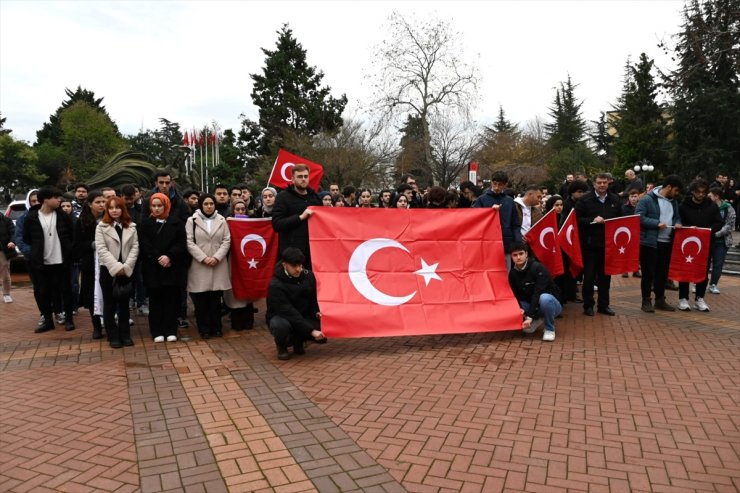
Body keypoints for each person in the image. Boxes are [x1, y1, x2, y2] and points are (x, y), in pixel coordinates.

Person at [23, 186, 76, 333]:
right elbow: (27, 238)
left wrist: (69, 250)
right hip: (42, 262)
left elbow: (72, 234)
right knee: (43, 291)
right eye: (55, 197)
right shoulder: (32, 218)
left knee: (66, 290)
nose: (58, 200)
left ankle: (69, 319)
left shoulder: (62, 215)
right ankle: (47, 320)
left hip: (62, 260)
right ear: (46, 200)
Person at [139, 193, 186, 343]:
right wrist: (158, 257)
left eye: (160, 205)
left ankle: (170, 330)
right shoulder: (145, 224)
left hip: (172, 267)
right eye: (154, 205)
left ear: (166, 206)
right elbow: (144, 244)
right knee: (155, 301)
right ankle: (156, 331)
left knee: (170, 300)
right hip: (153, 268)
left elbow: (181, 243)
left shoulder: (176, 223)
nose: (157, 208)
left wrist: (169, 256)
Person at [575, 173, 623, 316]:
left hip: (608, 246)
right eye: (599, 182)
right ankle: (588, 305)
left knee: (605, 277)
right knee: (589, 277)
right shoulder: (584, 199)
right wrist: (592, 220)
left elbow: (621, 220)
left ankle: (604, 305)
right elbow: (576, 220)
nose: (602, 185)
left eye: (604, 182)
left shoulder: (615, 199)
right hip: (589, 245)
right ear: (594, 184)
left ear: (608, 183)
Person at [266, 247, 326, 360]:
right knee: (280, 326)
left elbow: (312, 299)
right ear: (285, 265)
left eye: (300, 265)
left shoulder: (309, 276)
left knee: (322, 322)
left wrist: (316, 312)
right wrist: (311, 331)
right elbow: (288, 311)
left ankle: (298, 341)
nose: (299, 269)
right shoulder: (275, 285)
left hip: (302, 314)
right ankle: (282, 346)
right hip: (282, 316)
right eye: (294, 266)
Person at [634, 175, 683, 313]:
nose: (677, 193)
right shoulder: (647, 199)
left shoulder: (674, 202)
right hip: (649, 242)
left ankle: (660, 299)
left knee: (662, 273)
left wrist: (678, 223)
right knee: (648, 273)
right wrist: (656, 224)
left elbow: (676, 216)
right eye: (676, 190)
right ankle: (646, 300)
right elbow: (638, 217)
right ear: (668, 187)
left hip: (666, 242)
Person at [186, 194, 231, 339]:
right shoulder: (191, 220)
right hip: (200, 264)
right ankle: (204, 328)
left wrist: (217, 257)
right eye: (206, 204)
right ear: (201, 205)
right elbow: (189, 242)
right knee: (201, 300)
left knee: (215, 299)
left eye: (211, 203)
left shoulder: (221, 220)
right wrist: (204, 258)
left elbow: (226, 240)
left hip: (218, 264)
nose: (209, 206)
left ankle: (216, 327)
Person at [96, 196, 139, 348]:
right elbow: (101, 250)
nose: (114, 210)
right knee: (109, 304)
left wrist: (126, 267)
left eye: (118, 207)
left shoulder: (131, 226)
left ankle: (125, 334)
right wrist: (116, 268)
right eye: (111, 207)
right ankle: (112, 335)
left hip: (126, 271)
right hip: (108, 271)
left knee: (124, 304)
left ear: (123, 209)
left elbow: (135, 248)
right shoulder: (101, 227)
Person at [677, 179, 723, 312]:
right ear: (692, 192)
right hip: (687, 244)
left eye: (704, 192)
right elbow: (679, 221)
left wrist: (706, 230)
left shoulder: (712, 206)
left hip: (706, 243)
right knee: (685, 270)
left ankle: (699, 298)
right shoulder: (683, 205)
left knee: (703, 270)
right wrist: (687, 228)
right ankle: (683, 298)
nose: (701, 195)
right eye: (698, 192)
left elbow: (718, 222)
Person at [507, 242, 562, 342]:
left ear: (526, 254)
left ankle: (549, 328)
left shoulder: (538, 268)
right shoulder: (512, 274)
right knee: (515, 305)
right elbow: (515, 295)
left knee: (544, 298)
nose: (518, 257)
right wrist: (519, 308)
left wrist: (529, 316)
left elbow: (538, 293)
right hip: (531, 305)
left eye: (521, 254)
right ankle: (537, 318)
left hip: (551, 304)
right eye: (515, 255)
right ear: (511, 257)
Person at [272, 164, 322, 270]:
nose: (303, 179)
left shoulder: (315, 198)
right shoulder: (283, 197)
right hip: (291, 255)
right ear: (293, 179)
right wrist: (300, 217)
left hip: (313, 254)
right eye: (300, 177)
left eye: (305, 176)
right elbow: (277, 224)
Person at [74, 191, 107, 339]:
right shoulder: (82, 221)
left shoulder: (110, 217)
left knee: (109, 294)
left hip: (108, 261)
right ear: (89, 204)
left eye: (103, 202)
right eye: (98, 202)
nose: (101, 205)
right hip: (90, 263)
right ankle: (96, 326)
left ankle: (110, 322)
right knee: (92, 294)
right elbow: (77, 243)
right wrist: (93, 244)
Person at [472, 171, 522, 268]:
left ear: (505, 185)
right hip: (487, 242)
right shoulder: (481, 199)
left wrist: (518, 243)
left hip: (506, 243)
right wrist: (488, 211)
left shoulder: (509, 201)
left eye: (500, 185)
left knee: (506, 272)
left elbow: (515, 224)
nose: (497, 187)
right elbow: (474, 218)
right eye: (495, 184)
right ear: (491, 182)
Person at [707, 186, 735, 294]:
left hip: (722, 242)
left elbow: (730, 224)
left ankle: (713, 284)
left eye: (710, 195)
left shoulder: (728, 208)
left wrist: (717, 234)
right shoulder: (707, 207)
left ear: (716, 196)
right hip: (708, 239)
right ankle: (699, 283)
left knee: (718, 263)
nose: (708, 197)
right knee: (704, 263)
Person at [620, 187, 642, 278]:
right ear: (629, 197)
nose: (633, 198)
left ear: (638, 197)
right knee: (626, 251)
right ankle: (625, 270)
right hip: (627, 233)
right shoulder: (624, 208)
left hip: (638, 233)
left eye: (635, 196)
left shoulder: (641, 207)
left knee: (636, 252)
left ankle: (635, 270)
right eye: (632, 196)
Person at [0, 211, 15, 303]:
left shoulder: (6, 220)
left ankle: (6, 294)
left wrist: (12, 241)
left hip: (3, 250)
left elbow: (13, 232)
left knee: (5, 271)